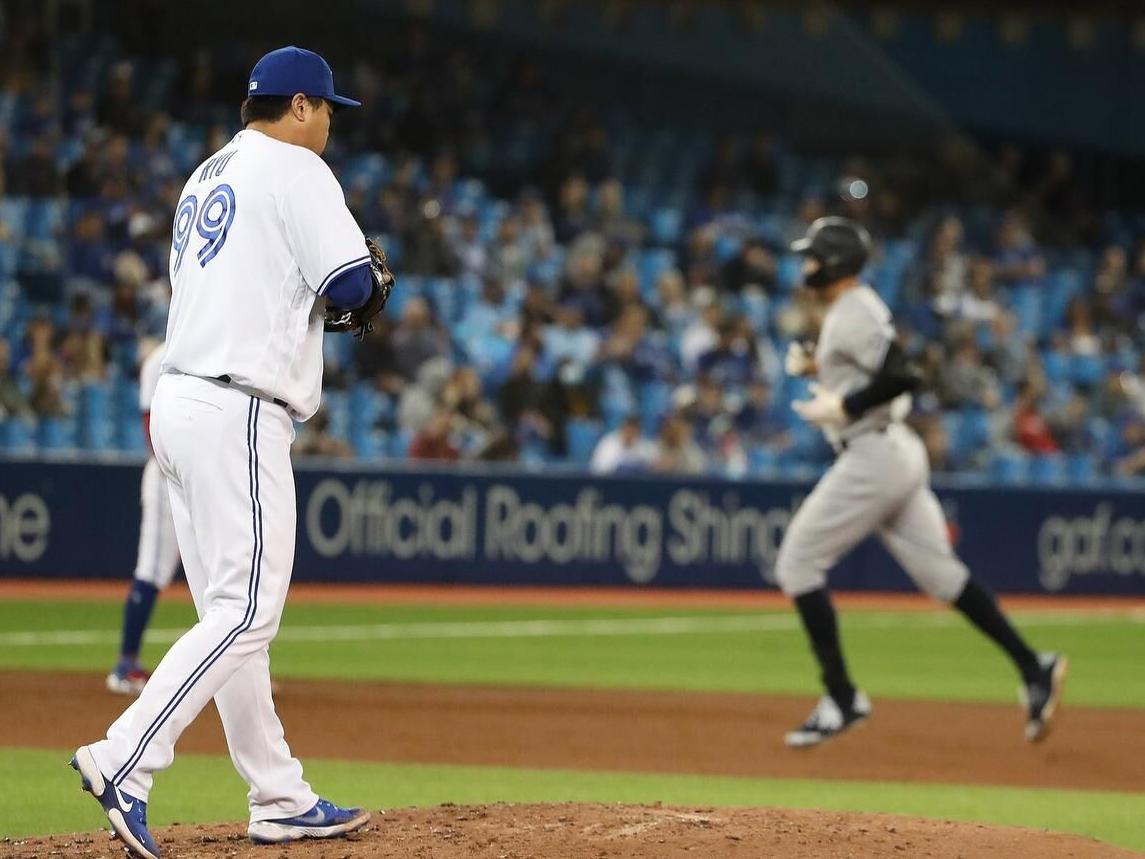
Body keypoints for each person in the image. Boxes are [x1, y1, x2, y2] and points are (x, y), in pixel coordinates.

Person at [71, 47, 375, 858]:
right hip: (237, 407)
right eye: (328, 111)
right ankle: (123, 761)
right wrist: (368, 288)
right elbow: (351, 284)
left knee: (229, 613)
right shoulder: (296, 168)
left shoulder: (208, 171)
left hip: (180, 400)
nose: (330, 127)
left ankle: (277, 794)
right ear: (301, 105)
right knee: (247, 610)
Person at [776, 217, 1066, 748]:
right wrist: (820, 369)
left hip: (874, 456)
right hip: (894, 450)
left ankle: (841, 698)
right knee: (942, 576)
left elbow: (906, 373)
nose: (806, 265)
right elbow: (879, 370)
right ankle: (1033, 666)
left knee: (796, 563)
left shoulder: (853, 312)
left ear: (836, 262)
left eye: (813, 257)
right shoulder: (854, 308)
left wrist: (844, 403)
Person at [106, 340, 182, 695]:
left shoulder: (214, 345)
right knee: (152, 570)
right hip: (168, 478)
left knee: (223, 577)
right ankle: (125, 665)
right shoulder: (158, 359)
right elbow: (152, 432)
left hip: (206, 478)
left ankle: (241, 679)